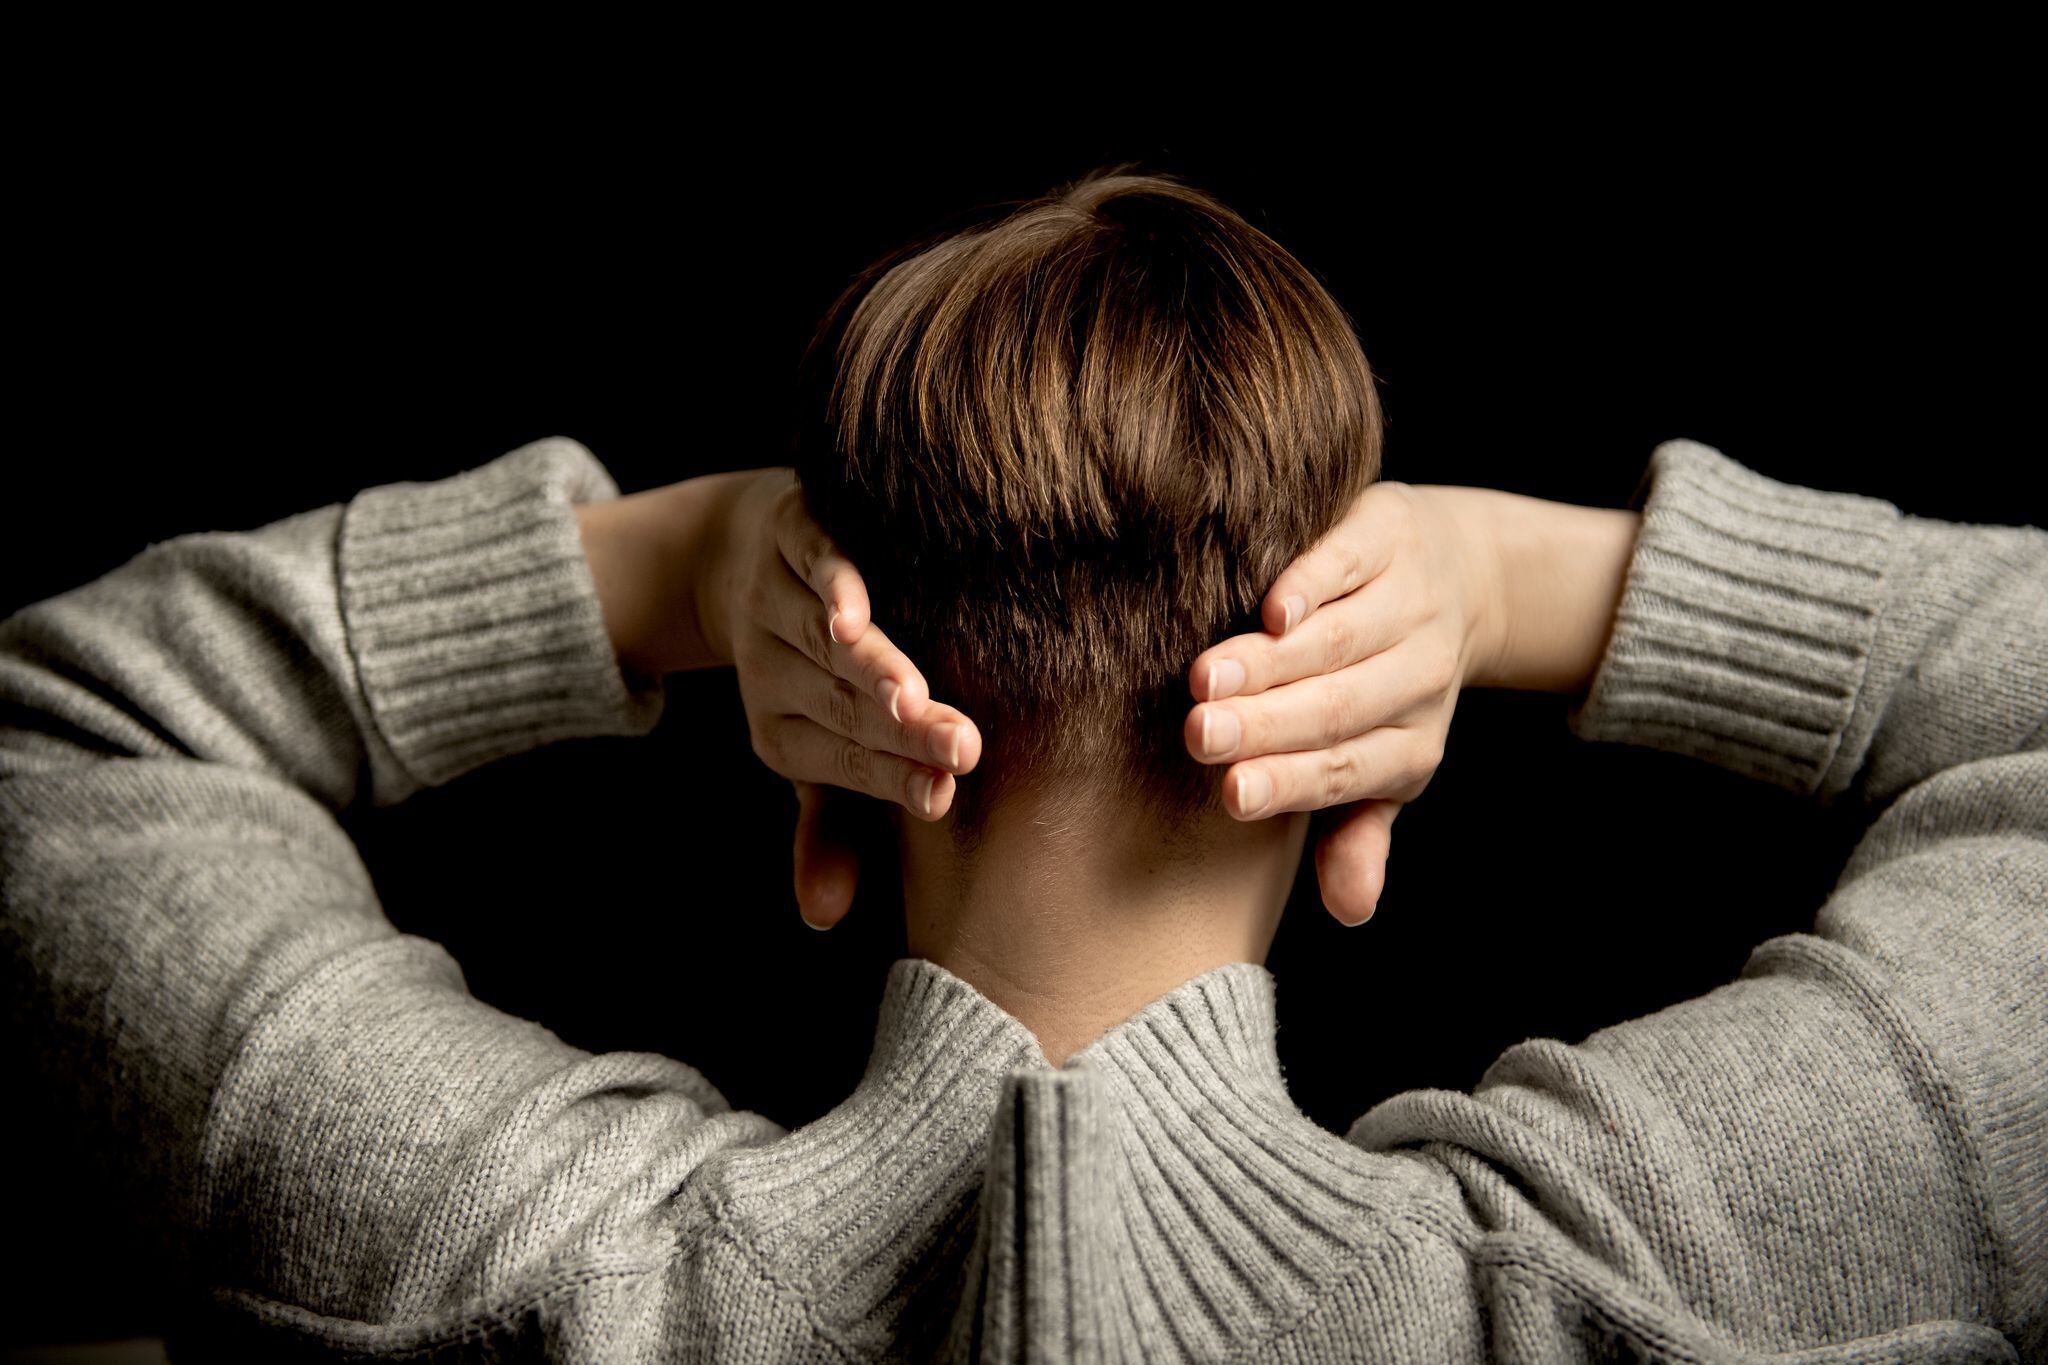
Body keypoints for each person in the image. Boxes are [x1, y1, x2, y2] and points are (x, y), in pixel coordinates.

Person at [1, 169, 2041, 1362]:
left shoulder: (504, 1267)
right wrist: (1522, 582)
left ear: (825, 803)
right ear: (1348, 808)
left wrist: (666, 571)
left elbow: (73, 732)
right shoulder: (1648, 1281)